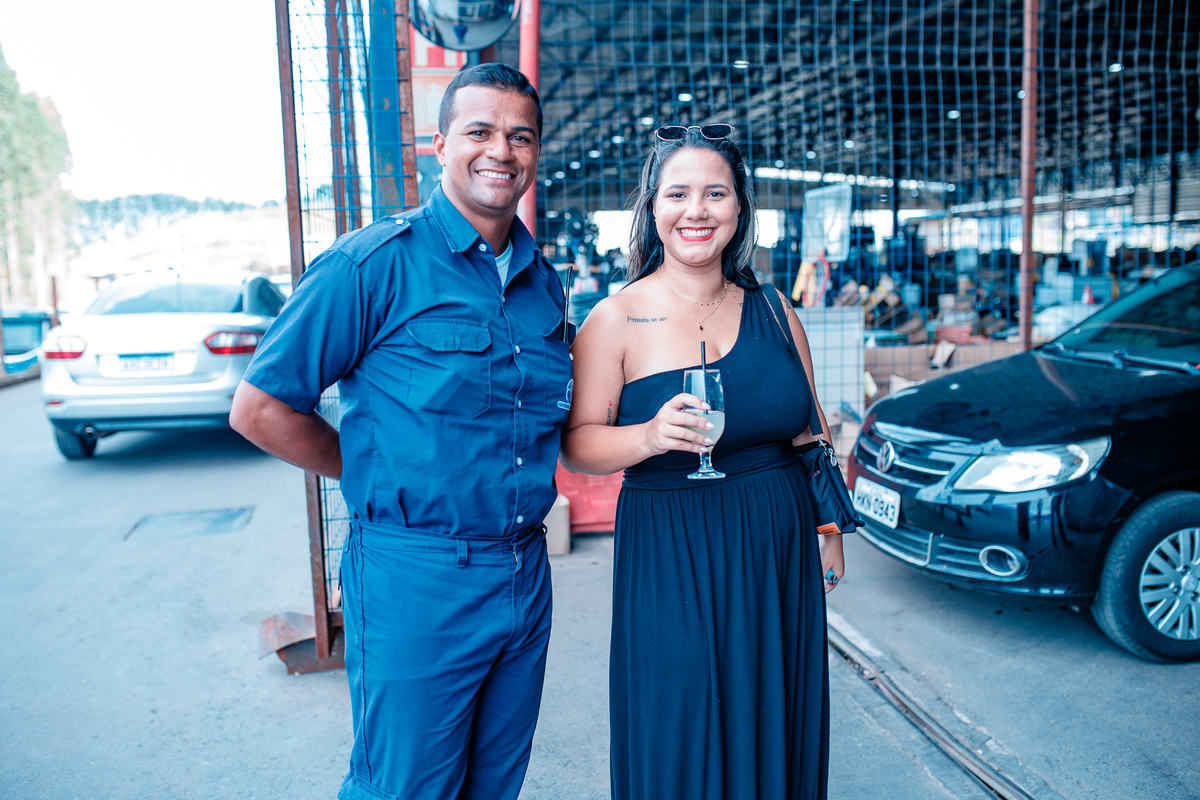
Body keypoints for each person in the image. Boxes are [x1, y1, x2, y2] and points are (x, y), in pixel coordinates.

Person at [229, 63, 573, 800]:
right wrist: (364, 464)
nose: (501, 151)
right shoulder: (371, 265)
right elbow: (259, 409)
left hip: (523, 569)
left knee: (494, 784)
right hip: (418, 575)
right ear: (439, 145)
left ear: (537, 154)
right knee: (404, 787)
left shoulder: (543, 281)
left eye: (520, 137)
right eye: (479, 131)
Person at [560, 124, 842, 800]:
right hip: (672, 546)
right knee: (681, 713)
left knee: (774, 706)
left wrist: (828, 529)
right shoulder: (614, 319)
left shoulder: (775, 310)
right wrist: (648, 437)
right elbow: (577, 444)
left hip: (775, 544)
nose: (697, 210)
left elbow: (811, 429)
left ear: (739, 207)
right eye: (678, 193)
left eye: (716, 193)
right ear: (653, 208)